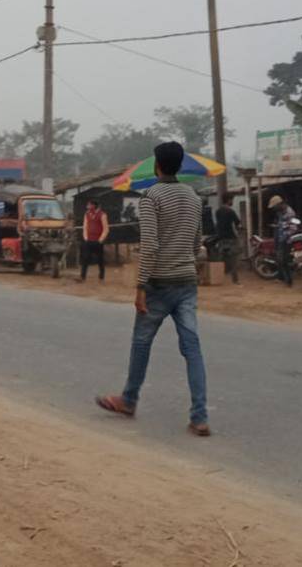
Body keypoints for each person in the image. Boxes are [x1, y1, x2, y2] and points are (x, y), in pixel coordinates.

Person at [96, 141, 210, 437]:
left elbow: (149, 247)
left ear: (157, 166)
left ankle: (129, 399)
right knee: (192, 348)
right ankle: (199, 417)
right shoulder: (195, 198)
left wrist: (140, 286)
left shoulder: (150, 198)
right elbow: (198, 243)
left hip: (159, 285)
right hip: (186, 283)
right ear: (180, 166)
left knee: (141, 343)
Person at [268, 195, 297, 287]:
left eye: (275, 206)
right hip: (281, 239)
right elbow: (282, 225)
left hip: (287, 240)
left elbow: (293, 228)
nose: (274, 209)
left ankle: (289, 281)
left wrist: (285, 236)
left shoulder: (290, 213)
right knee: (281, 260)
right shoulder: (280, 213)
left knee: (285, 260)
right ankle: (285, 279)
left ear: (279, 204)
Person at [79, 199, 110, 282]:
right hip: (88, 239)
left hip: (98, 241)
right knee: (85, 258)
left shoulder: (102, 215)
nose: (88, 206)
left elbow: (106, 229)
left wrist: (100, 240)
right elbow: (85, 226)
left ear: (94, 205)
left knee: (100, 259)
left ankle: (101, 277)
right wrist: (85, 237)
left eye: (89, 205)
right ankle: (82, 277)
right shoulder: (87, 214)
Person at [214, 201, 242, 284]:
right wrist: (240, 229)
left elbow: (218, 224)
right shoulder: (231, 211)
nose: (232, 202)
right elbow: (238, 223)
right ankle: (235, 280)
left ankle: (216, 278)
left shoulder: (217, 211)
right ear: (229, 200)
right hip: (231, 237)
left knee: (221, 258)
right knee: (234, 259)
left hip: (221, 237)